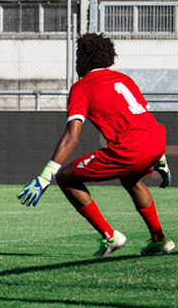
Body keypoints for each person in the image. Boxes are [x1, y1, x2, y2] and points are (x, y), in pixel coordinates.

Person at [19, 32, 173, 257]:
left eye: (79, 55)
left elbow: (71, 137)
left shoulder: (82, 87)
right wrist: (159, 157)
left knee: (66, 177)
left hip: (130, 151)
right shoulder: (125, 79)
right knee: (131, 179)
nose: (76, 62)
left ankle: (110, 236)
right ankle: (159, 239)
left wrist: (44, 177)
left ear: (87, 59)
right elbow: (144, 118)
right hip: (156, 142)